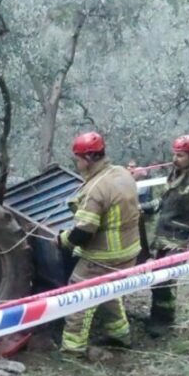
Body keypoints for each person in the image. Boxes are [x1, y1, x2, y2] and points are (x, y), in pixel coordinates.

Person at [57, 132, 142, 359]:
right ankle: (120, 335)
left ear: (89, 158)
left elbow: (84, 231)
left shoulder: (95, 189)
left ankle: (73, 350)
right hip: (130, 250)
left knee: (79, 295)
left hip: (105, 255)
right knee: (109, 290)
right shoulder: (123, 173)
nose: (76, 163)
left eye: (77, 159)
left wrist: (63, 240)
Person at [140, 135, 189, 335]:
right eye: (175, 154)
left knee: (165, 280)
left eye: (180, 155)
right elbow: (163, 202)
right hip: (163, 237)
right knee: (157, 279)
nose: (175, 158)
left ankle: (164, 323)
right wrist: (144, 208)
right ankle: (157, 315)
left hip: (179, 240)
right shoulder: (175, 174)